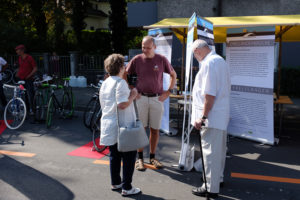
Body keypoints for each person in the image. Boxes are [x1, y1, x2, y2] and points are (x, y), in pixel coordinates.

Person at [126, 36, 177, 171]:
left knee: (155, 130)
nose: (145, 50)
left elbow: (173, 74)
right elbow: (125, 73)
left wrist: (169, 91)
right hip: (141, 98)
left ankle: (153, 157)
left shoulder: (161, 59)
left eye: (148, 47)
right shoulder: (137, 59)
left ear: (155, 47)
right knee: (141, 129)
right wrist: (132, 88)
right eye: (143, 47)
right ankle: (140, 159)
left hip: (157, 98)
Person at [190, 40, 231, 198]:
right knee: (218, 152)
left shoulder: (208, 63)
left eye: (195, 55)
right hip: (220, 115)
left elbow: (209, 94)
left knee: (209, 153)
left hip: (211, 117)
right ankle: (217, 179)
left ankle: (210, 187)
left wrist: (203, 116)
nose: (196, 58)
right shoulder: (220, 60)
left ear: (197, 51)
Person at [99, 53, 141, 196]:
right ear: (121, 67)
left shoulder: (106, 82)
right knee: (129, 156)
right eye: (124, 65)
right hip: (123, 125)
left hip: (109, 123)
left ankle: (116, 182)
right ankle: (127, 187)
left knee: (114, 155)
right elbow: (122, 104)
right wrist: (132, 95)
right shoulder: (120, 83)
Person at [15, 44, 37, 114]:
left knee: (31, 94)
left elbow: (35, 68)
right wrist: (18, 73)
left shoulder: (29, 58)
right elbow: (21, 67)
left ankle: (33, 110)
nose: (16, 52)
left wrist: (29, 75)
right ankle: (27, 109)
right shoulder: (20, 58)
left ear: (22, 50)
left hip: (29, 79)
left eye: (17, 50)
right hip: (21, 79)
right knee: (23, 95)